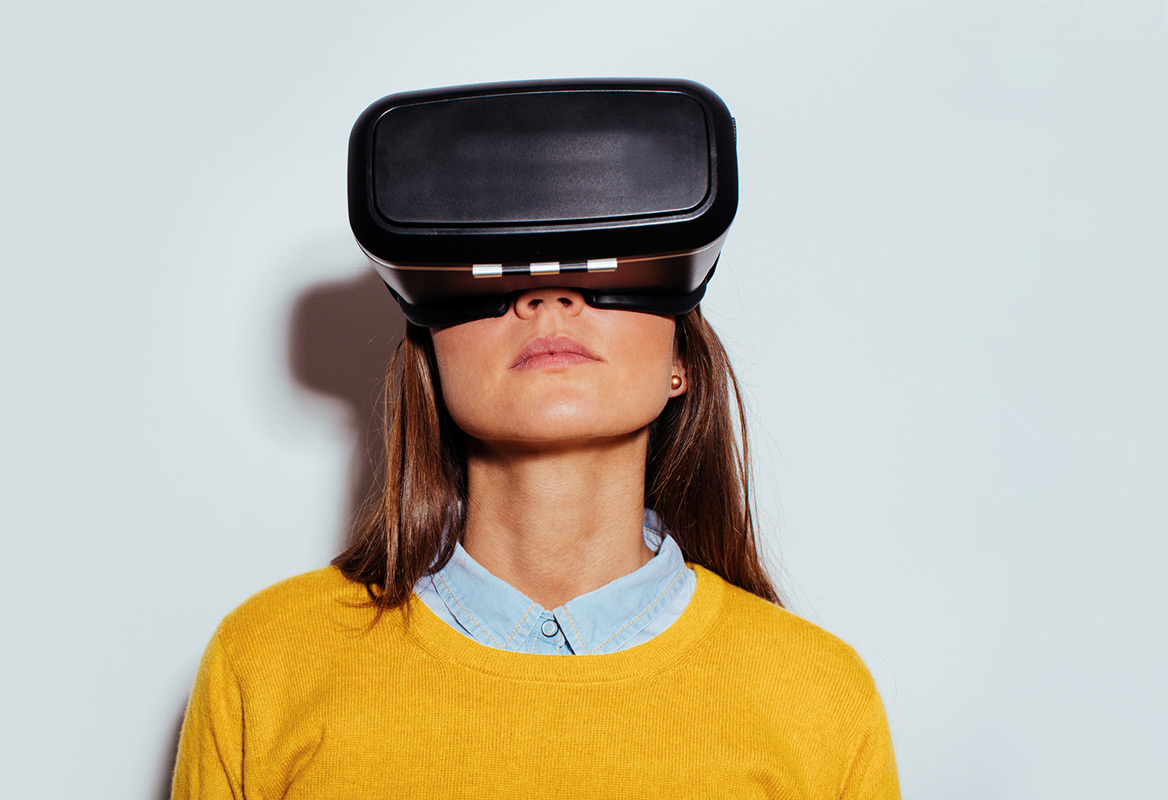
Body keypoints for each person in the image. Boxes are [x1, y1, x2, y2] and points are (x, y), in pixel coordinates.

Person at [171, 79, 901, 799]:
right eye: (503, 267)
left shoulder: (819, 699)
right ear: (432, 355)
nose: (548, 294)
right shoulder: (266, 665)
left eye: (602, 260)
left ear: (681, 360)